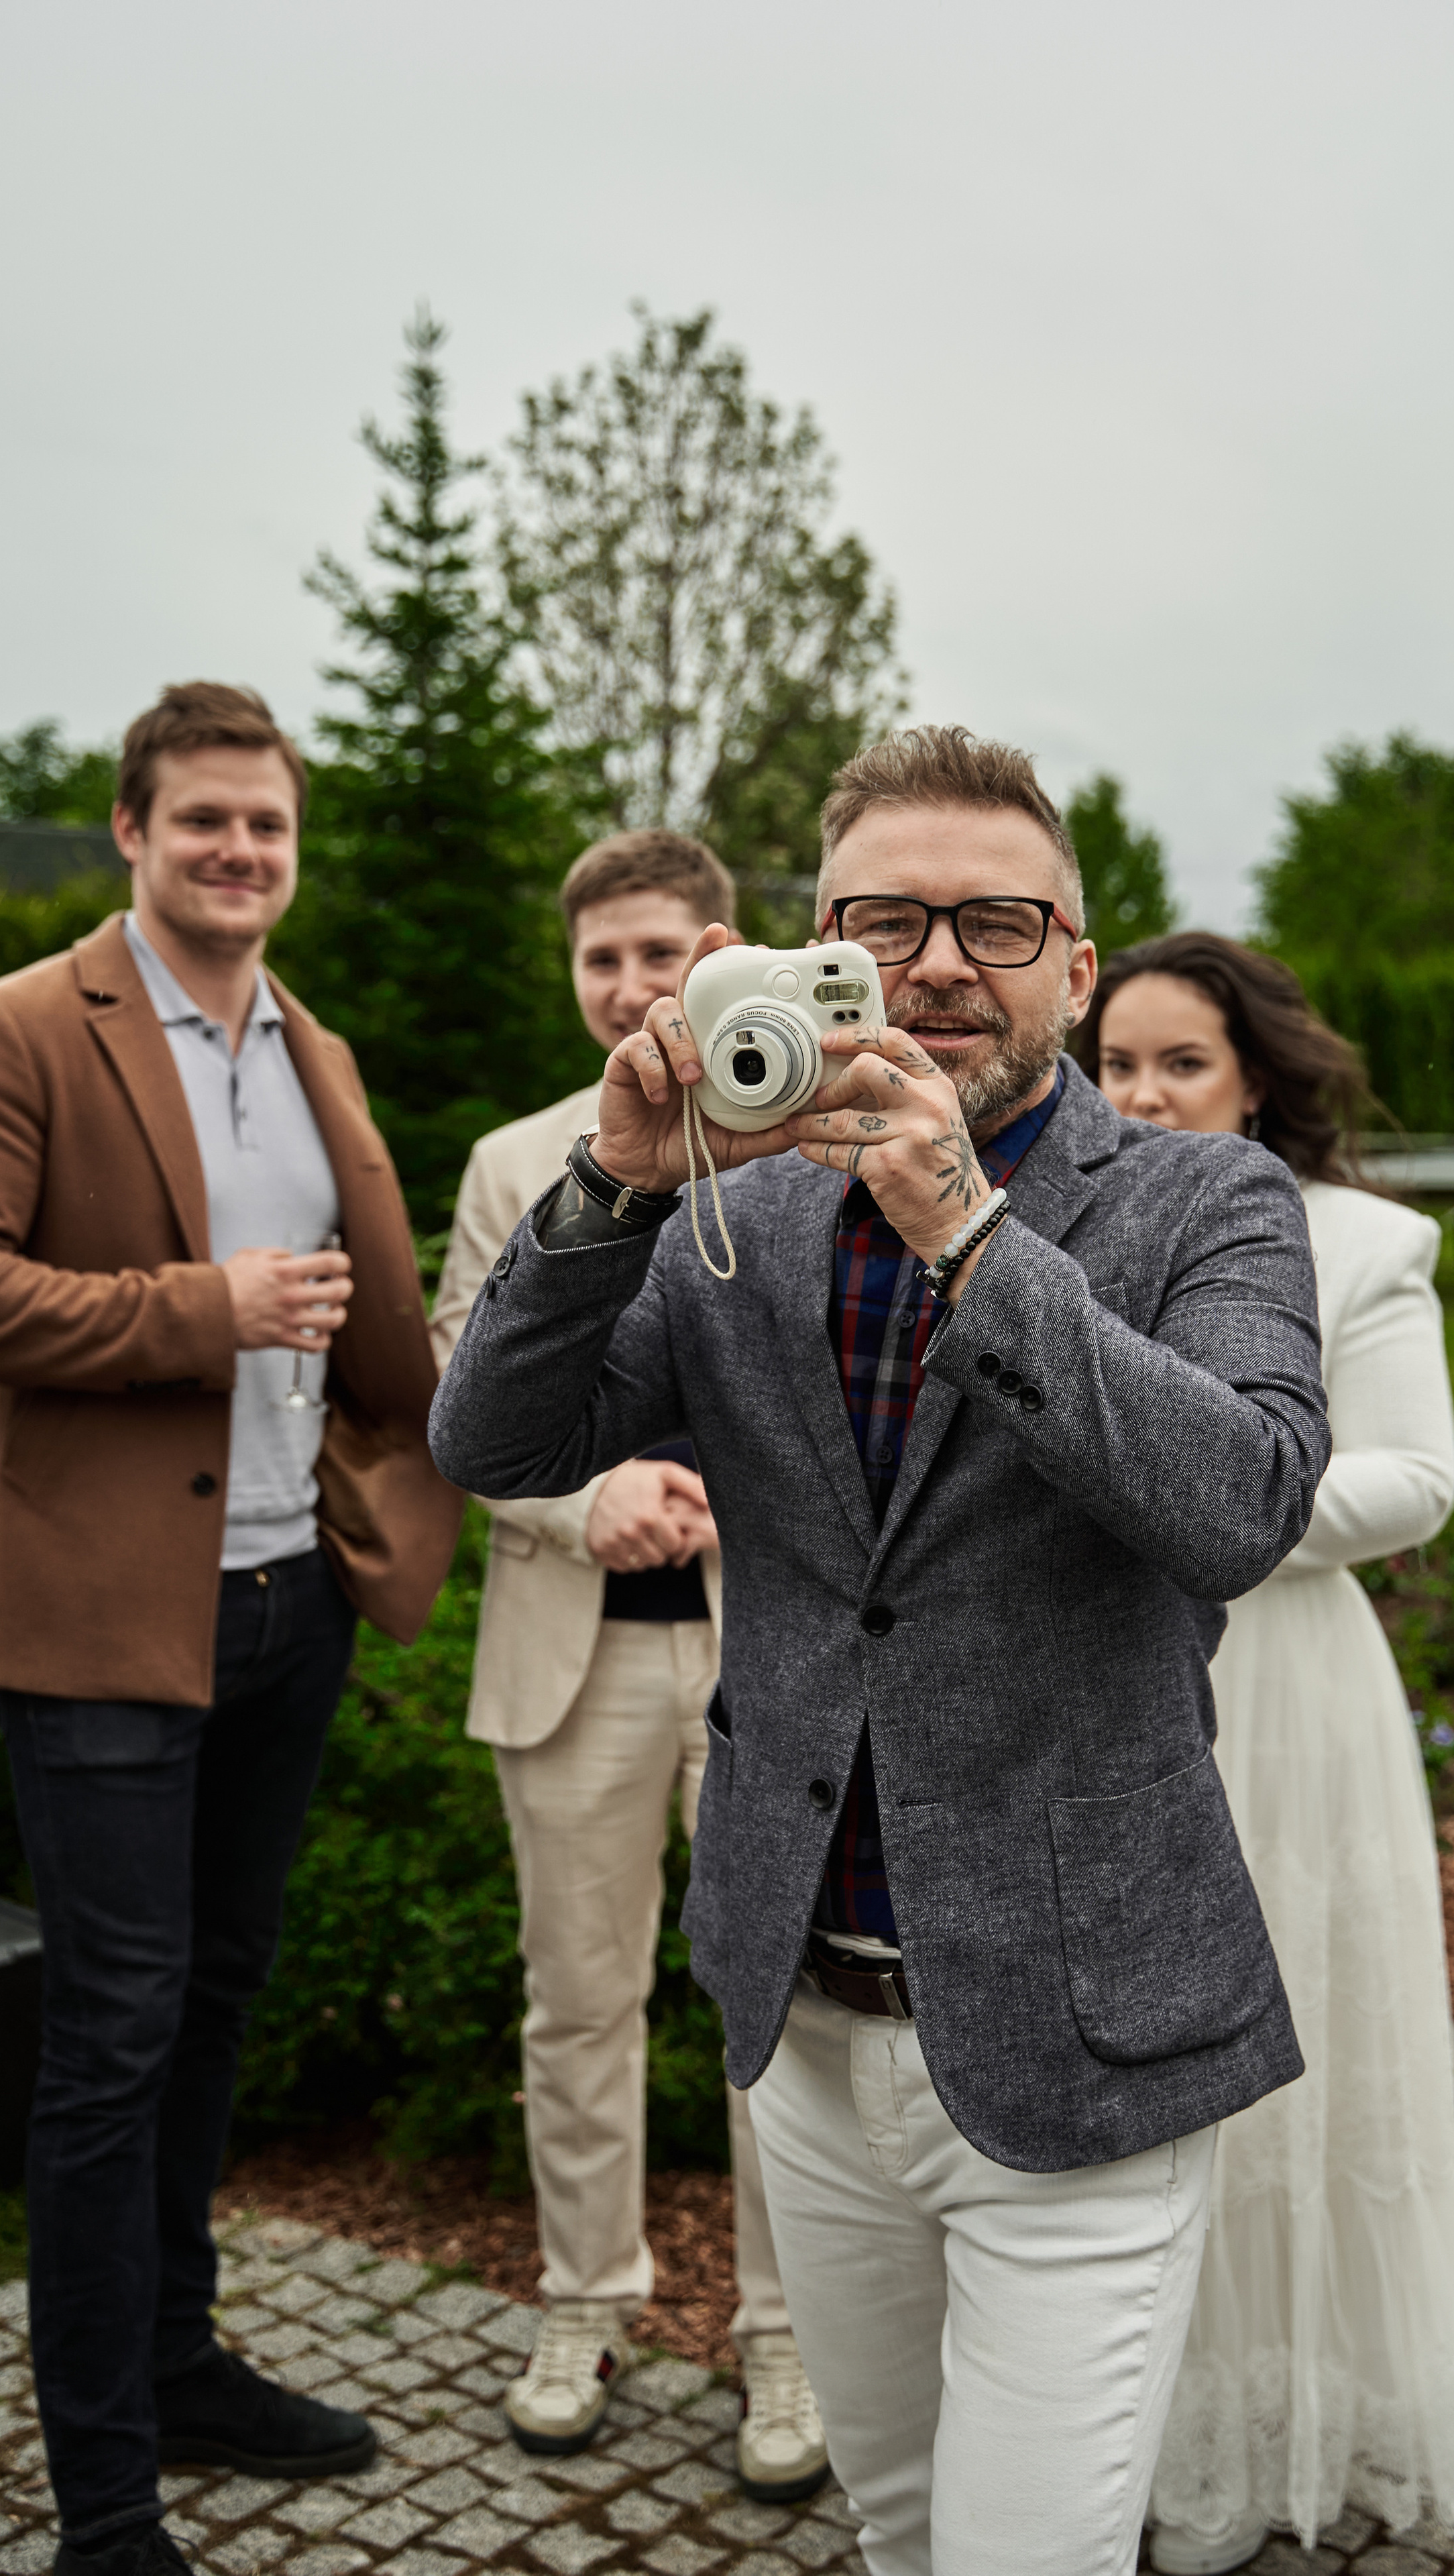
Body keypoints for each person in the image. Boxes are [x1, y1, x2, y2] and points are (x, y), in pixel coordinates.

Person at [429, 724, 1333, 2576]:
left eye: (997, 923)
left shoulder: (1206, 1202)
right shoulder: (723, 1213)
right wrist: (610, 1185)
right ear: (804, 945)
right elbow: (496, 1446)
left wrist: (964, 1226)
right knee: (903, 2526)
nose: (936, 966)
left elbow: (1243, 1499)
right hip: (813, 2034)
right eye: (883, 920)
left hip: (1079, 2040)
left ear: (1079, 963)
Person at [0, 683, 462, 2576]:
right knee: (109, 2038)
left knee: (213, 2013)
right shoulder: (23, 1030)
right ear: (129, 830)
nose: (240, 854)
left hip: (286, 1604)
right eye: (204, 824)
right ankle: (103, 2495)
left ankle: (178, 2363)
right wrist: (203, 1307)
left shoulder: (308, 1041)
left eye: (267, 826)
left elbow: (374, 1315)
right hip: (103, 1623)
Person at [1079, 932, 1454, 2570]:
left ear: (1254, 1071)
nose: (1142, 1094)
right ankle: (1120, 2429)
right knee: (1133, 2077)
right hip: (1113, 1692)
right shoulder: (1068, 1222)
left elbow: (1411, 1480)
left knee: (1301, 2063)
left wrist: (1194, 1501)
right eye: (1115, 1063)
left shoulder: (1358, 1243)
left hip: (1287, 1695)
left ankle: (1294, 2428)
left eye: (1178, 1062)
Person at [429, 828, 827, 2500]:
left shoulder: (809, 1144)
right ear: (571, 969)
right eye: (601, 958)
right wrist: (585, 1501)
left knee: (779, 2017)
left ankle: (790, 2342)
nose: (629, 985)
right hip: (574, 1666)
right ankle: (579, 2309)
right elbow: (466, 1386)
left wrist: (736, 1487)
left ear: (720, 951)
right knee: (575, 2008)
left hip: (770, 1666)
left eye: (659, 952)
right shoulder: (515, 1158)